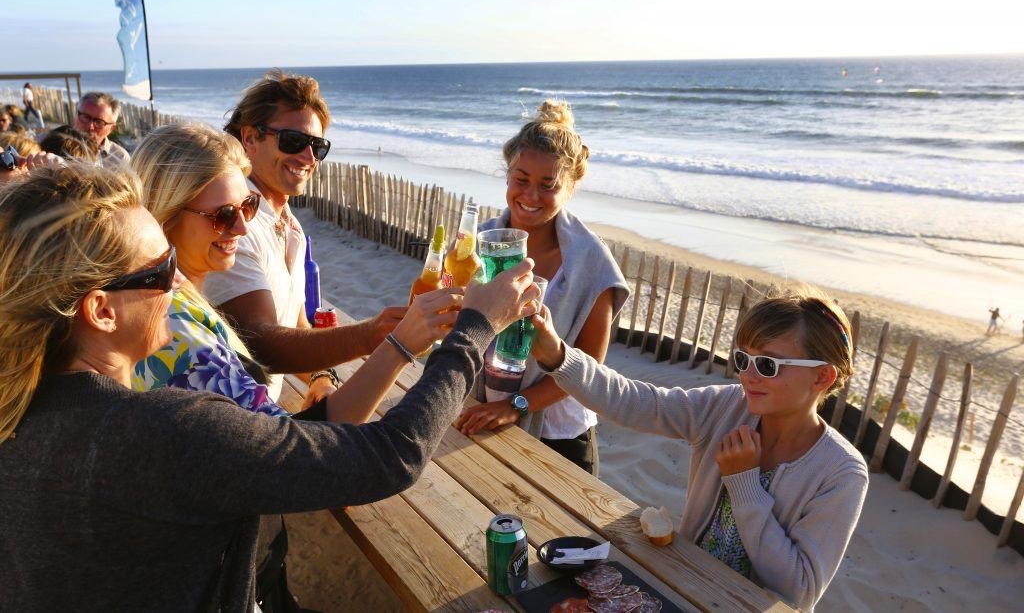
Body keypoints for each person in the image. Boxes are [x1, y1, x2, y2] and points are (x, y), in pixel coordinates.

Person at [0, 161, 540, 611]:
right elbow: (392, 455)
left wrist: (396, 347)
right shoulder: (161, 430)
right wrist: (475, 329)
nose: (179, 283)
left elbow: (271, 448)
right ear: (101, 311)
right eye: (160, 270)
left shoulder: (27, 413)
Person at [530, 289, 868, 610]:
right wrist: (559, 357)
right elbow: (639, 403)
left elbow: (800, 590)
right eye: (742, 359)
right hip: (682, 589)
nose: (748, 376)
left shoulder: (840, 472)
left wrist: (745, 483)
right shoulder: (726, 407)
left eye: (768, 365)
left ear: (822, 377)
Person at [205, 70, 406, 401]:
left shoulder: (286, 222)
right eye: (293, 141)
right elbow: (261, 343)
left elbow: (296, 325)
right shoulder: (233, 222)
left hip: (264, 412)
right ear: (250, 139)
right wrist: (370, 334)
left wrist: (321, 377)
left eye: (318, 146)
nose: (309, 158)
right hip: (232, 418)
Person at [454, 100, 629, 475]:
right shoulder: (480, 242)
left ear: (570, 187)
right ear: (507, 176)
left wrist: (515, 405)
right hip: (480, 409)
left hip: (559, 432)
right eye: (521, 180)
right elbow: (449, 314)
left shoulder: (590, 264)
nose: (530, 196)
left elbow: (588, 365)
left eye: (548, 186)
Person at [74, 91, 131, 166]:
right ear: (76, 115)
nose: (90, 126)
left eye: (99, 122)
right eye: (85, 117)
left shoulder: (120, 159)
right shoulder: (56, 145)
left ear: (111, 128)